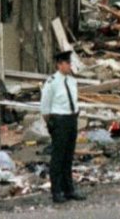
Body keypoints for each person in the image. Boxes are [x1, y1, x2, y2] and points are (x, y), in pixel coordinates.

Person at [40, 50, 85, 203]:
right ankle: (56, 191)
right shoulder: (52, 82)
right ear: (59, 65)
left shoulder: (72, 81)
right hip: (59, 120)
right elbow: (45, 106)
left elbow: (74, 100)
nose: (69, 66)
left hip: (71, 119)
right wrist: (50, 123)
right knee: (58, 157)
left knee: (68, 156)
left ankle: (69, 189)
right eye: (67, 63)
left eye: (70, 63)